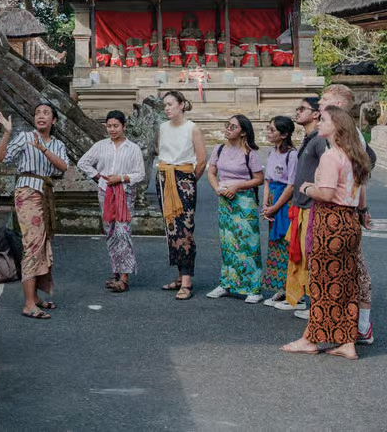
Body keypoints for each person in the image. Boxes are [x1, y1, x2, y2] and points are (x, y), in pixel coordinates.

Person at [282, 106, 372, 359]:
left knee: (322, 283)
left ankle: (310, 339)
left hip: (331, 221)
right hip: (350, 221)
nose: (319, 123)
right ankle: (347, 342)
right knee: (346, 284)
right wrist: (363, 212)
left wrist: (307, 188)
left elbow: (327, 193)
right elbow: (360, 194)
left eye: (324, 120)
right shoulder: (354, 154)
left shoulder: (331, 156)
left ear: (337, 126)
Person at [0, 101, 69, 320]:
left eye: (46, 113)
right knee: (32, 245)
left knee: (41, 244)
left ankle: (34, 297)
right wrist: (7, 133)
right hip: (27, 192)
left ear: (54, 120)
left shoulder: (57, 144)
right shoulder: (25, 137)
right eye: (37, 113)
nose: (41, 116)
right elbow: (0, 158)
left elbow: (63, 167)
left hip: (44, 193)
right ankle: (28, 304)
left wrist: (43, 149)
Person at [319, 83, 375, 345]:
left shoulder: (338, 150)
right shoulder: (346, 143)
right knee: (349, 272)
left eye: (325, 100)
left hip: (337, 213)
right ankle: (353, 329)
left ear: (338, 108)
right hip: (348, 212)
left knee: (346, 274)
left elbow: (333, 189)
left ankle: (352, 330)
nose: (320, 104)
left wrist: (308, 188)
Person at [77, 110, 146, 292]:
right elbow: (83, 163)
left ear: (124, 126)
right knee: (110, 231)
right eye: (109, 126)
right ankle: (116, 271)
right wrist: (98, 177)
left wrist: (121, 178)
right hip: (105, 192)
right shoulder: (100, 146)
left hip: (125, 193)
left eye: (116, 126)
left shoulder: (133, 148)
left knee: (123, 232)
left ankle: (124, 277)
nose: (112, 129)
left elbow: (140, 174)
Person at [205, 114, 265, 303]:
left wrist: (237, 186)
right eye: (227, 125)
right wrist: (217, 188)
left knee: (248, 243)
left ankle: (254, 288)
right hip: (225, 200)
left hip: (244, 201)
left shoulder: (250, 153)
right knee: (228, 243)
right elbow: (211, 173)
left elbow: (259, 179)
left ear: (243, 132)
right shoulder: (219, 149)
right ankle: (227, 283)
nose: (228, 129)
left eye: (233, 127)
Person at [156, 90, 207, 301]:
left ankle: (186, 281)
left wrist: (189, 180)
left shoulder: (192, 128)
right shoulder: (162, 127)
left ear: (182, 105)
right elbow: (160, 151)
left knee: (184, 229)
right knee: (171, 228)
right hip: (164, 176)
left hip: (184, 178)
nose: (167, 108)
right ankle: (179, 276)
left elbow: (202, 160)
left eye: (170, 104)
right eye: (165, 105)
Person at [283, 96, 324, 313]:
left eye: (302, 108)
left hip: (312, 205)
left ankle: (314, 305)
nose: (297, 112)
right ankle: (305, 300)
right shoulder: (309, 138)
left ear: (316, 114)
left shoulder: (320, 140)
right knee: (300, 255)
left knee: (310, 257)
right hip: (301, 205)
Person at [260, 116, 298, 306]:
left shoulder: (292, 155)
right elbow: (267, 181)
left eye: (272, 130)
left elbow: (291, 185)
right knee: (276, 245)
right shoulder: (271, 152)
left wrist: (275, 207)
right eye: (268, 128)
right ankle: (281, 287)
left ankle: (293, 290)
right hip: (273, 199)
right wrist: (265, 204)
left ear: (284, 134)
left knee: (288, 244)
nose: (268, 133)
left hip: (285, 202)